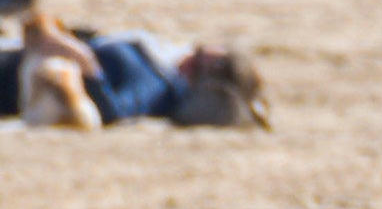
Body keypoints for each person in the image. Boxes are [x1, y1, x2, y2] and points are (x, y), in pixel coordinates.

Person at [9, 12, 268, 129]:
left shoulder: (158, 85)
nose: (189, 58)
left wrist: (84, 59)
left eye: (197, 69)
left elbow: (112, 111)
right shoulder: (162, 56)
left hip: (29, 79)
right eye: (198, 53)